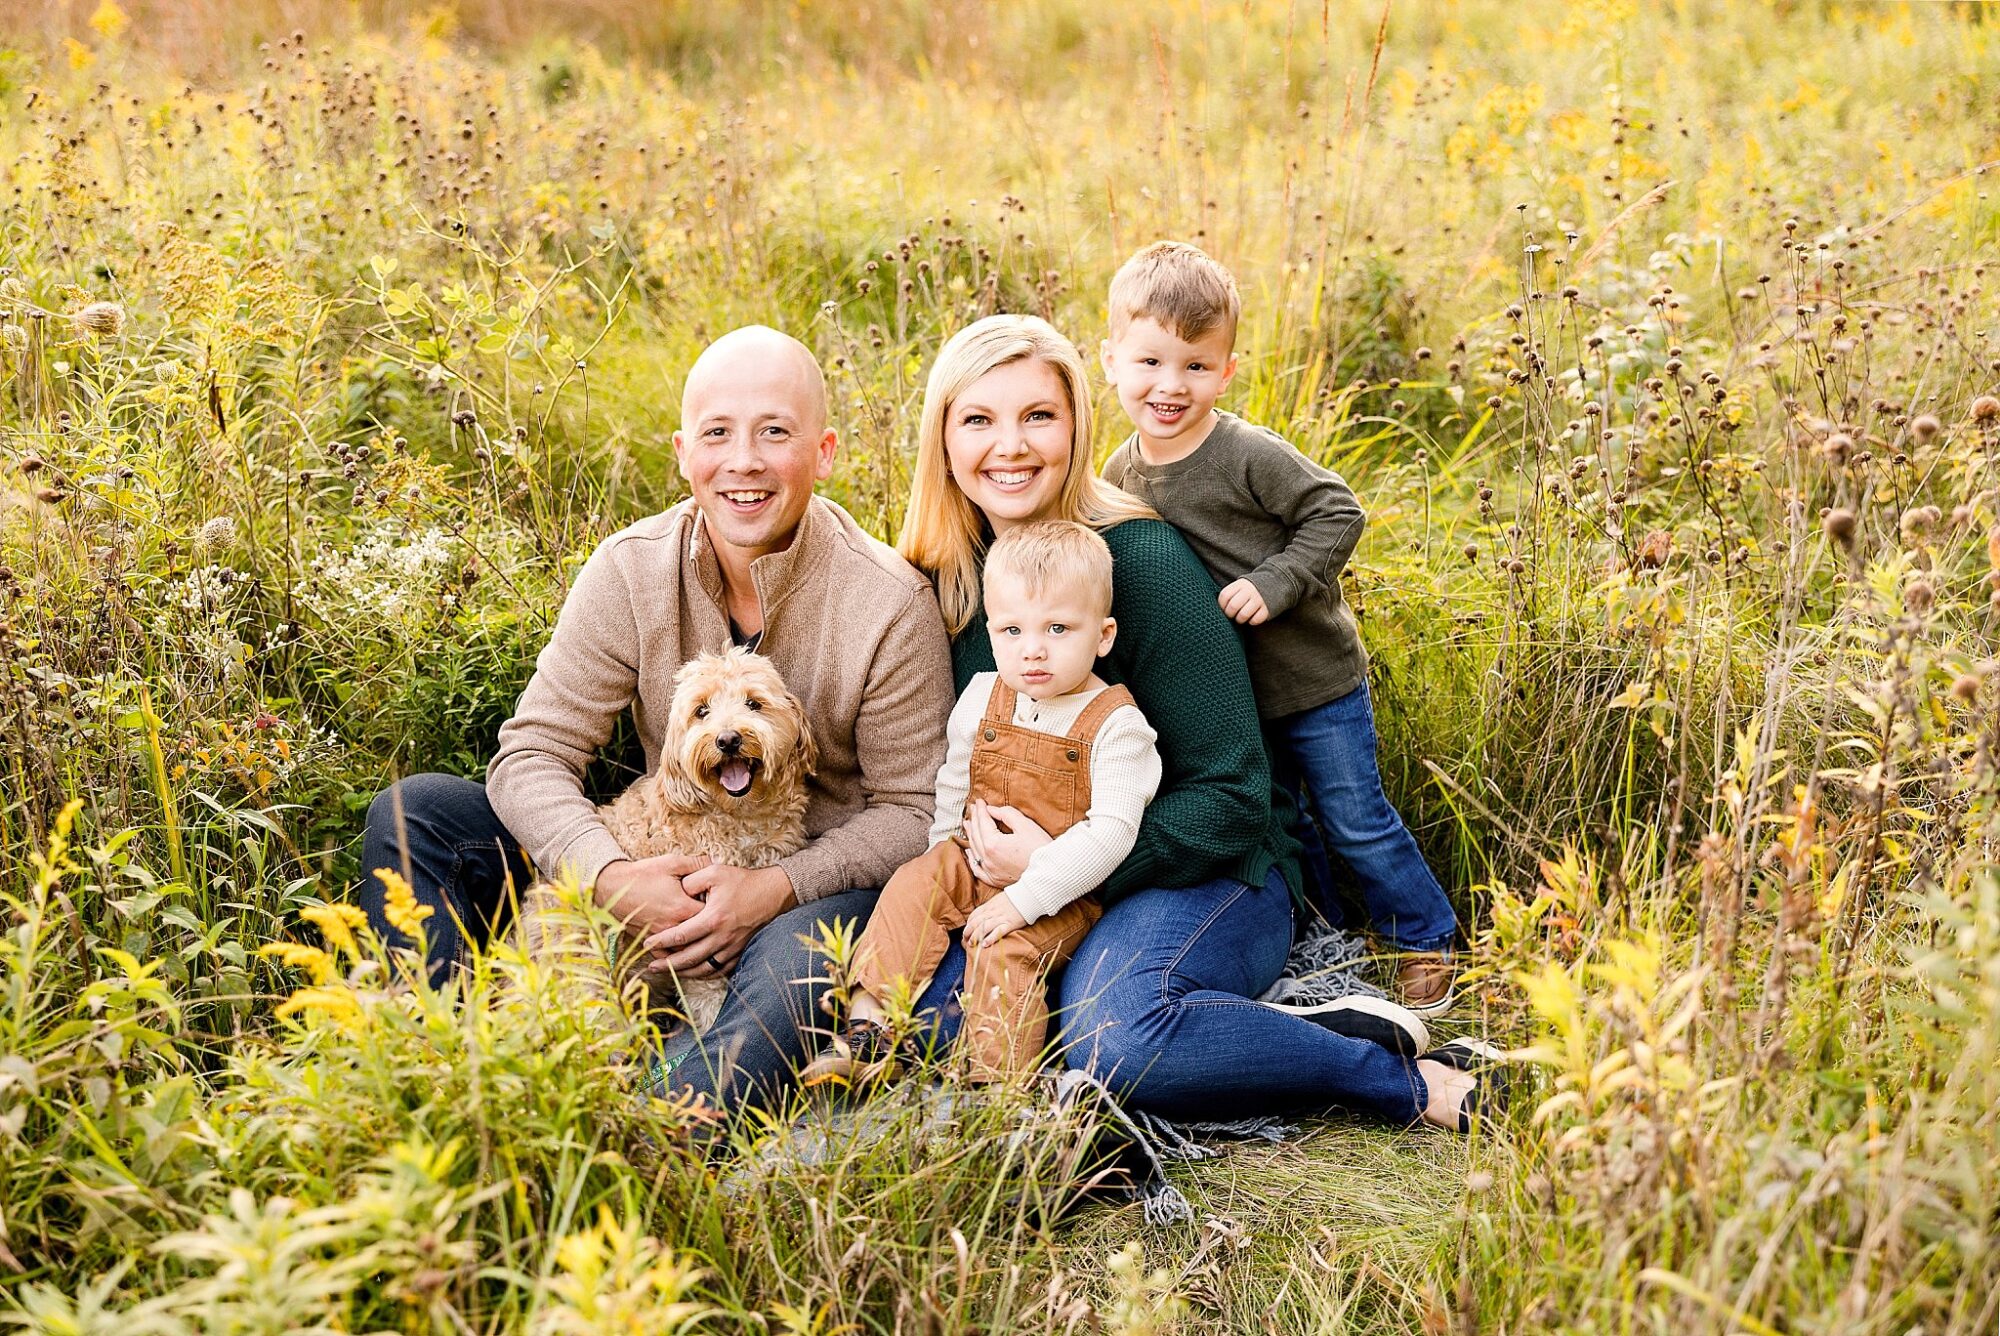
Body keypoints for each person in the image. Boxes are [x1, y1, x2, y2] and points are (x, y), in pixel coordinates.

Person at [896, 312, 1498, 1132]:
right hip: (1030, 885)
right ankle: (1275, 1029)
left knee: (1114, 1035)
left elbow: (1234, 795)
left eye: (1038, 415)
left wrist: (1073, 867)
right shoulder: (947, 581)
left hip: (1206, 872)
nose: (1012, 446)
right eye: (979, 419)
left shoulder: (1140, 563)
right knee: (926, 1021)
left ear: (1075, 425)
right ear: (943, 439)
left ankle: (1396, 1076)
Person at [357, 325, 956, 1114]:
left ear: (824, 452)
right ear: (683, 453)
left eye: (774, 432)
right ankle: (427, 1073)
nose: (743, 461)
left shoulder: (888, 603)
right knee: (416, 814)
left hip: (811, 877)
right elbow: (532, 752)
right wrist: (607, 875)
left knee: (779, 986)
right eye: (718, 434)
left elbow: (917, 814)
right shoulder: (630, 570)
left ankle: (652, 1138)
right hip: (656, 851)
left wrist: (775, 887)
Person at [1099, 241, 1461, 1014]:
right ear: (1112, 363)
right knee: (1289, 823)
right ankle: (1332, 941)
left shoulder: (1244, 453)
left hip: (1316, 681)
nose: (1171, 386)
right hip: (1240, 698)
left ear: (1226, 371)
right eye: (1151, 363)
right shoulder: (1122, 474)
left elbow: (1338, 510)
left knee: (1355, 818)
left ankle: (1426, 937)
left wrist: (1277, 581)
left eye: (1196, 366)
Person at [803, 520, 1161, 1088]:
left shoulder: (1117, 728)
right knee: (910, 888)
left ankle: (998, 1091)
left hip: (1060, 892)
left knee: (1003, 950)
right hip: (971, 858)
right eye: (1012, 630)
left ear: (1104, 635)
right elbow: (954, 781)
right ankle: (867, 1033)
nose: (1033, 650)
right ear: (991, 631)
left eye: (1059, 628)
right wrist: (941, 853)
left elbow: (1111, 834)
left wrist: (1025, 899)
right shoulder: (982, 696)